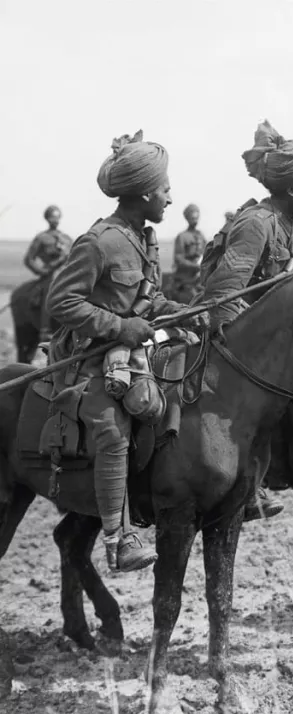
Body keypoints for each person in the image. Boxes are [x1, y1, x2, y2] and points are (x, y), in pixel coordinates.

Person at [46, 130, 208, 572]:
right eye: (166, 190)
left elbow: (147, 299)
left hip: (132, 351)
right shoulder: (99, 242)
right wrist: (120, 326)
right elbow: (61, 303)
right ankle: (118, 541)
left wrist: (184, 312)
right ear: (144, 192)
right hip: (89, 360)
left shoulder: (144, 238)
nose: (171, 199)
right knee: (114, 432)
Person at [199, 119, 293, 520]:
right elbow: (223, 293)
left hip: (274, 335)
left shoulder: (287, 224)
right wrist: (250, 349)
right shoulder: (257, 224)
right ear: (290, 189)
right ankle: (250, 482)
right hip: (237, 338)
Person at [24, 205, 73, 341]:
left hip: (66, 272)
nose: (55, 220)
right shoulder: (42, 238)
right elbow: (29, 259)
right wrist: (41, 271)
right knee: (51, 285)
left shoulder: (66, 238)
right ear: (47, 219)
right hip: (50, 274)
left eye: (57, 217)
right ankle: (45, 328)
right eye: (52, 217)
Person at [171, 204, 207, 302]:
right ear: (187, 218)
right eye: (192, 217)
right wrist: (196, 266)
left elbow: (207, 253)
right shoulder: (182, 236)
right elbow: (179, 259)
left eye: (196, 217)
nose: (195, 220)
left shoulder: (201, 235)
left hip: (199, 280)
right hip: (185, 281)